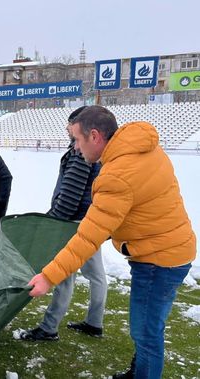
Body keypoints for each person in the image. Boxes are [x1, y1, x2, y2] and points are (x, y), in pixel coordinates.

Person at [28, 106, 196, 379]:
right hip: (173, 247)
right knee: (150, 326)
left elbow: (88, 236)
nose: (77, 148)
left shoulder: (116, 174)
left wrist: (49, 276)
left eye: (78, 140)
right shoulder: (144, 149)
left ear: (94, 136)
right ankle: (138, 371)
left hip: (159, 260)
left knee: (146, 332)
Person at [20, 106, 107, 342]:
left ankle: (49, 328)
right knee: (96, 275)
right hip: (89, 222)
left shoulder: (80, 153)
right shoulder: (87, 151)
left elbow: (69, 198)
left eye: (70, 127)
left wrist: (51, 221)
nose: (68, 131)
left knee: (62, 276)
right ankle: (94, 323)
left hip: (71, 224)